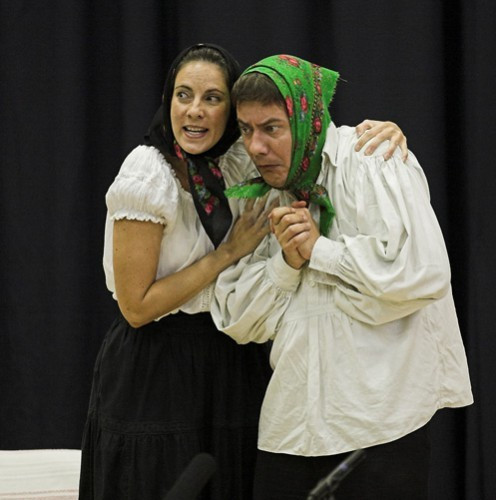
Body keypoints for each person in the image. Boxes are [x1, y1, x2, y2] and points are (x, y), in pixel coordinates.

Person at [78, 43, 410, 500]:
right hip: (158, 366)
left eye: (212, 98)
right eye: (183, 95)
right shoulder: (147, 172)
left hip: (232, 357)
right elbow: (136, 308)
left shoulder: (241, 160)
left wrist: (384, 133)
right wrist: (227, 253)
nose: (194, 110)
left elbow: (310, 146)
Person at [212, 54, 473, 500]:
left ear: (308, 122)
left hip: (380, 426)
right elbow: (236, 319)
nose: (255, 146)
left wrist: (321, 252)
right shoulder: (256, 193)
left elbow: (423, 275)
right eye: (246, 129)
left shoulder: (373, 158)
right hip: (290, 429)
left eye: (272, 128)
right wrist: (287, 264)